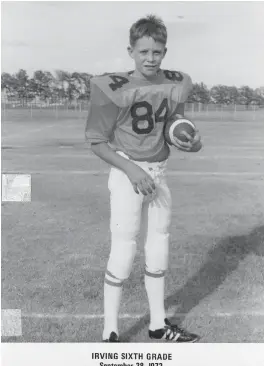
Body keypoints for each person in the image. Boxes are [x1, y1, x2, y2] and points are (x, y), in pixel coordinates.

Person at [85, 14, 202, 342]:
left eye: (157, 52)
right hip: (127, 174)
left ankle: (157, 325)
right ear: (131, 51)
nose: (150, 58)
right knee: (123, 250)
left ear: (165, 51)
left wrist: (193, 142)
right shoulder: (113, 87)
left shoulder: (176, 82)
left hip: (159, 174)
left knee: (159, 247)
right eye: (144, 52)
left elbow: (175, 127)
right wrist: (132, 170)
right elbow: (97, 142)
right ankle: (110, 329)